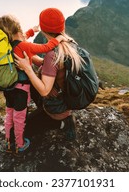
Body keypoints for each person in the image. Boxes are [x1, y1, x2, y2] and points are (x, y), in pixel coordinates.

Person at [0, 14, 65, 153]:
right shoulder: (24, 46)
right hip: (21, 90)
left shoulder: (6, 46)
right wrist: (59, 38)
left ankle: (9, 141)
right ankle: (19, 145)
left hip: (8, 88)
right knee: (20, 118)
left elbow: (23, 38)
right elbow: (46, 47)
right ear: (18, 29)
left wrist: (32, 31)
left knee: (9, 114)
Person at [14, 7, 83, 141]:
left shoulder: (53, 55)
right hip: (64, 99)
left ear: (44, 29)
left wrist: (27, 68)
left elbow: (45, 90)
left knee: (17, 131)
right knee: (28, 83)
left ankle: (63, 123)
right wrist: (27, 55)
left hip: (56, 108)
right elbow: (48, 66)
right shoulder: (68, 43)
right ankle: (51, 115)